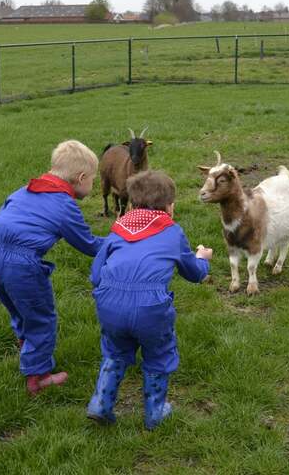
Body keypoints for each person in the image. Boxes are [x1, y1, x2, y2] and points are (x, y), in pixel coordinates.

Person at [86, 170, 212, 430]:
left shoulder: (117, 230)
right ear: (170, 207)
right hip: (150, 308)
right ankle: (155, 413)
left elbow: (96, 275)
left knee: (115, 351)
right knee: (158, 354)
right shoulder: (173, 232)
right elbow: (194, 274)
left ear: (132, 204)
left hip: (109, 302)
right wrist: (202, 258)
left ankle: (100, 404)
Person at [0, 140, 105, 395]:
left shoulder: (23, 192)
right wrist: (121, 241)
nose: (93, 184)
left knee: (19, 309)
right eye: (93, 179)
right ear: (81, 178)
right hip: (22, 267)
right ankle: (38, 378)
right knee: (41, 318)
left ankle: (27, 347)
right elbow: (89, 244)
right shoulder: (64, 205)